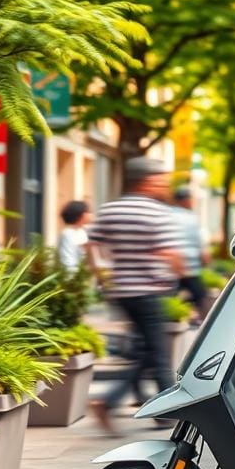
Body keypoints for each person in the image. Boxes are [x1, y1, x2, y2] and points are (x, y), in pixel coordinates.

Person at [88, 157, 184, 432]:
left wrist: (102, 274)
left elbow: (91, 244)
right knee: (158, 353)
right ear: (148, 180)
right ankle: (163, 411)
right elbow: (169, 253)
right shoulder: (157, 212)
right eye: (161, 179)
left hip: (121, 291)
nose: (165, 184)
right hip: (148, 291)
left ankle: (141, 405)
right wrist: (180, 275)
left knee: (145, 349)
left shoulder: (110, 209)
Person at [172, 185, 210, 321]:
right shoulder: (190, 217)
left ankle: (183, 316)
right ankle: (204, 324)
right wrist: (205, 256)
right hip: (189, 266)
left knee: (173, 296)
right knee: (200, 296)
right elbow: (198, 241)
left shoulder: (168, 214)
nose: (193, 202)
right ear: (185, 200)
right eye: (191, 199)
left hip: (173, 266)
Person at [57, 200, 92, 274]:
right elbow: (67, 261)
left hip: (83, 276)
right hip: (74, 279)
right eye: (88, 212)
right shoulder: (67, 234)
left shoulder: (83, 231)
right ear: (79, 215)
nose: (90, 214)